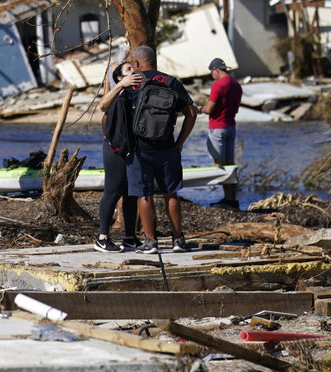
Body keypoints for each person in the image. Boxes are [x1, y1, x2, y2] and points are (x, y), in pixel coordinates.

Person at [126, 45, 197, 254]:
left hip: (139, 148)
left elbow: (114, 112)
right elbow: (191, 113)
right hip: (168, 146)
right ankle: (178, 240)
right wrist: (180, 142)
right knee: (170, 193)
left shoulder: (134, 83)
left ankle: (150, 242)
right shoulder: (171, 82)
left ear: (137, 63)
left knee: (144, 195)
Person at [94, 61, 141, 252]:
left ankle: (130, 237)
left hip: (131, 150)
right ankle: (102, 238)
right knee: (112, 192)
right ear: (120, 78)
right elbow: (102, 105)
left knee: (130, 195)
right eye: (129, 69)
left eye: (134, 68)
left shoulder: (134, 94)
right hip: (114, 150)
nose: (133, 71)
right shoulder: (118, 93)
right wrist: (118, 84)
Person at [202, 57, 242, 210]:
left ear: (216, 70)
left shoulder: (218, 85)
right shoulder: (236, 85)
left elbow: (209, 109)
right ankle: (232, 199)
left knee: (220, 165)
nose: (211, 75)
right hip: (231, 127)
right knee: (230, 165)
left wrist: (199, 108)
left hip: (217, 128)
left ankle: (227, 200)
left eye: (211, 72)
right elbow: (236, 109)